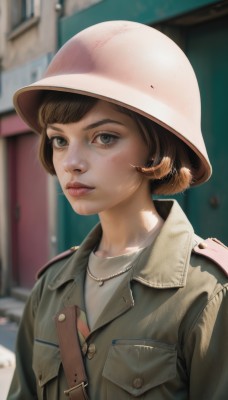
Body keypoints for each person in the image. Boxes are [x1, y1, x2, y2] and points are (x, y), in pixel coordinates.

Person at [7, 20, 228, 400]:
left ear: (157, 145)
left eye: (103, 137)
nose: (71, 162)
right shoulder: (51, 286)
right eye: (59, 140)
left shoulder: (207, 291)